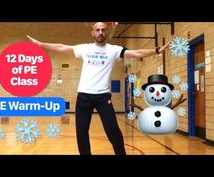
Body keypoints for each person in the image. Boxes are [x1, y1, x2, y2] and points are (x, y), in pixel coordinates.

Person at [27, 22, 171, 155]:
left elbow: (136, 53)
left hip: (103, 97)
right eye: (97, 30)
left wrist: (156, 50)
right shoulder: (85, 48)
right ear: (93, 33)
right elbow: (63, 47)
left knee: (112, 130)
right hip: (84, 96)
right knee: (81, 132)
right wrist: (41, 44)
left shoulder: (114, 50)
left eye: (103, 30)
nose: (100, 32)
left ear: (106, 33)